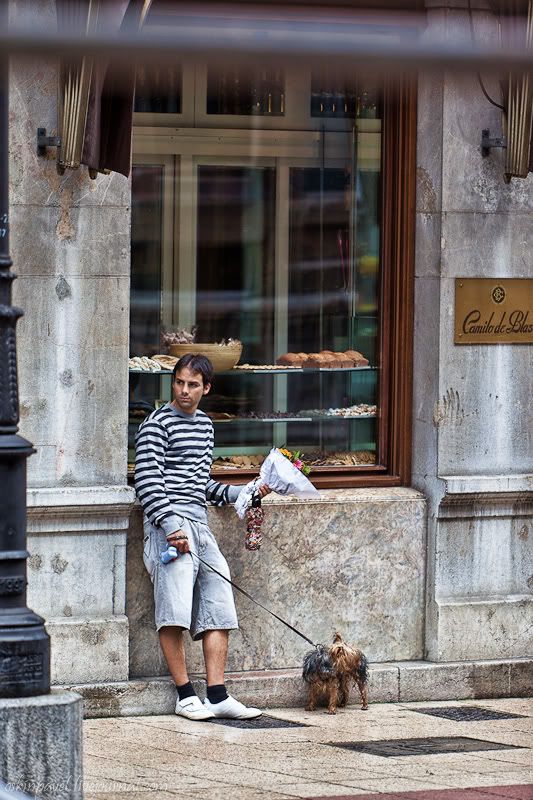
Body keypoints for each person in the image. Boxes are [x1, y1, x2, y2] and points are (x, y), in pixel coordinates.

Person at [135, 353, 270, 721]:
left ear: (206, 388)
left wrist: (245, 492)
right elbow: (147, 479)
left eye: (193, 384)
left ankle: (217, 694)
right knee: (174, 609)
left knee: (219, 605)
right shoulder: (156, 424)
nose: (184, 390)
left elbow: (201, 484)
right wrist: (170, 525)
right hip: (171, 526)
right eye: (179, 382)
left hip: (200, 524)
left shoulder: (206, 426)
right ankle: (184, 695)